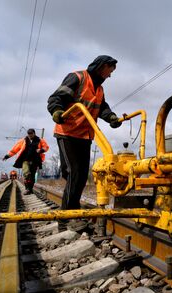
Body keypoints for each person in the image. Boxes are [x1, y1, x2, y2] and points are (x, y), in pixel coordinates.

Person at [47, 55, 122, 231]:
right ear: (102, 66)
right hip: (67, 133)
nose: (110, 75)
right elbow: (56, 98)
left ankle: (73, 210)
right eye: (109, 71)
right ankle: (66, 218)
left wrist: (111, 117)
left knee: (79, 176)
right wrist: (57, 111)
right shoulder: (77, 78)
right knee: (74, 172)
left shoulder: (100, 89)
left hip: (85, 136)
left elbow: (102, 107)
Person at [3, 128, 49, 195]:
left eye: (31, 134)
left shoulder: (40, 140)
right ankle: (27, 189)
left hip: (35, 160)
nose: (30, 135)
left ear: (34, 133)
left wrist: (41, 150)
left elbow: (46, 147)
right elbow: (15, 149)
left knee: (32, 175)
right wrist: (7, 156)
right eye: (29, 134)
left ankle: (30, 189)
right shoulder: (23, 140)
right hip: (25, 160)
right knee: (26, 174)